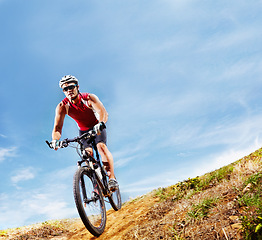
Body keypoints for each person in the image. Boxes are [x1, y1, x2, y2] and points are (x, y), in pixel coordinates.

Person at [51, 75, 118, 190]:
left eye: (71, 87)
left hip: (97, 126)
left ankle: (112, 178)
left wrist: (101, 123)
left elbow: (103, 112)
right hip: (83, 131)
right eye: (65, 89)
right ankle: (97, 187)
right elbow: (57, 128)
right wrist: (55, 140)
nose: (69, 91)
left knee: (101, 147)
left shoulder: (89, 98)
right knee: (87, 155)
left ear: (77, 87)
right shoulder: (62, 106)